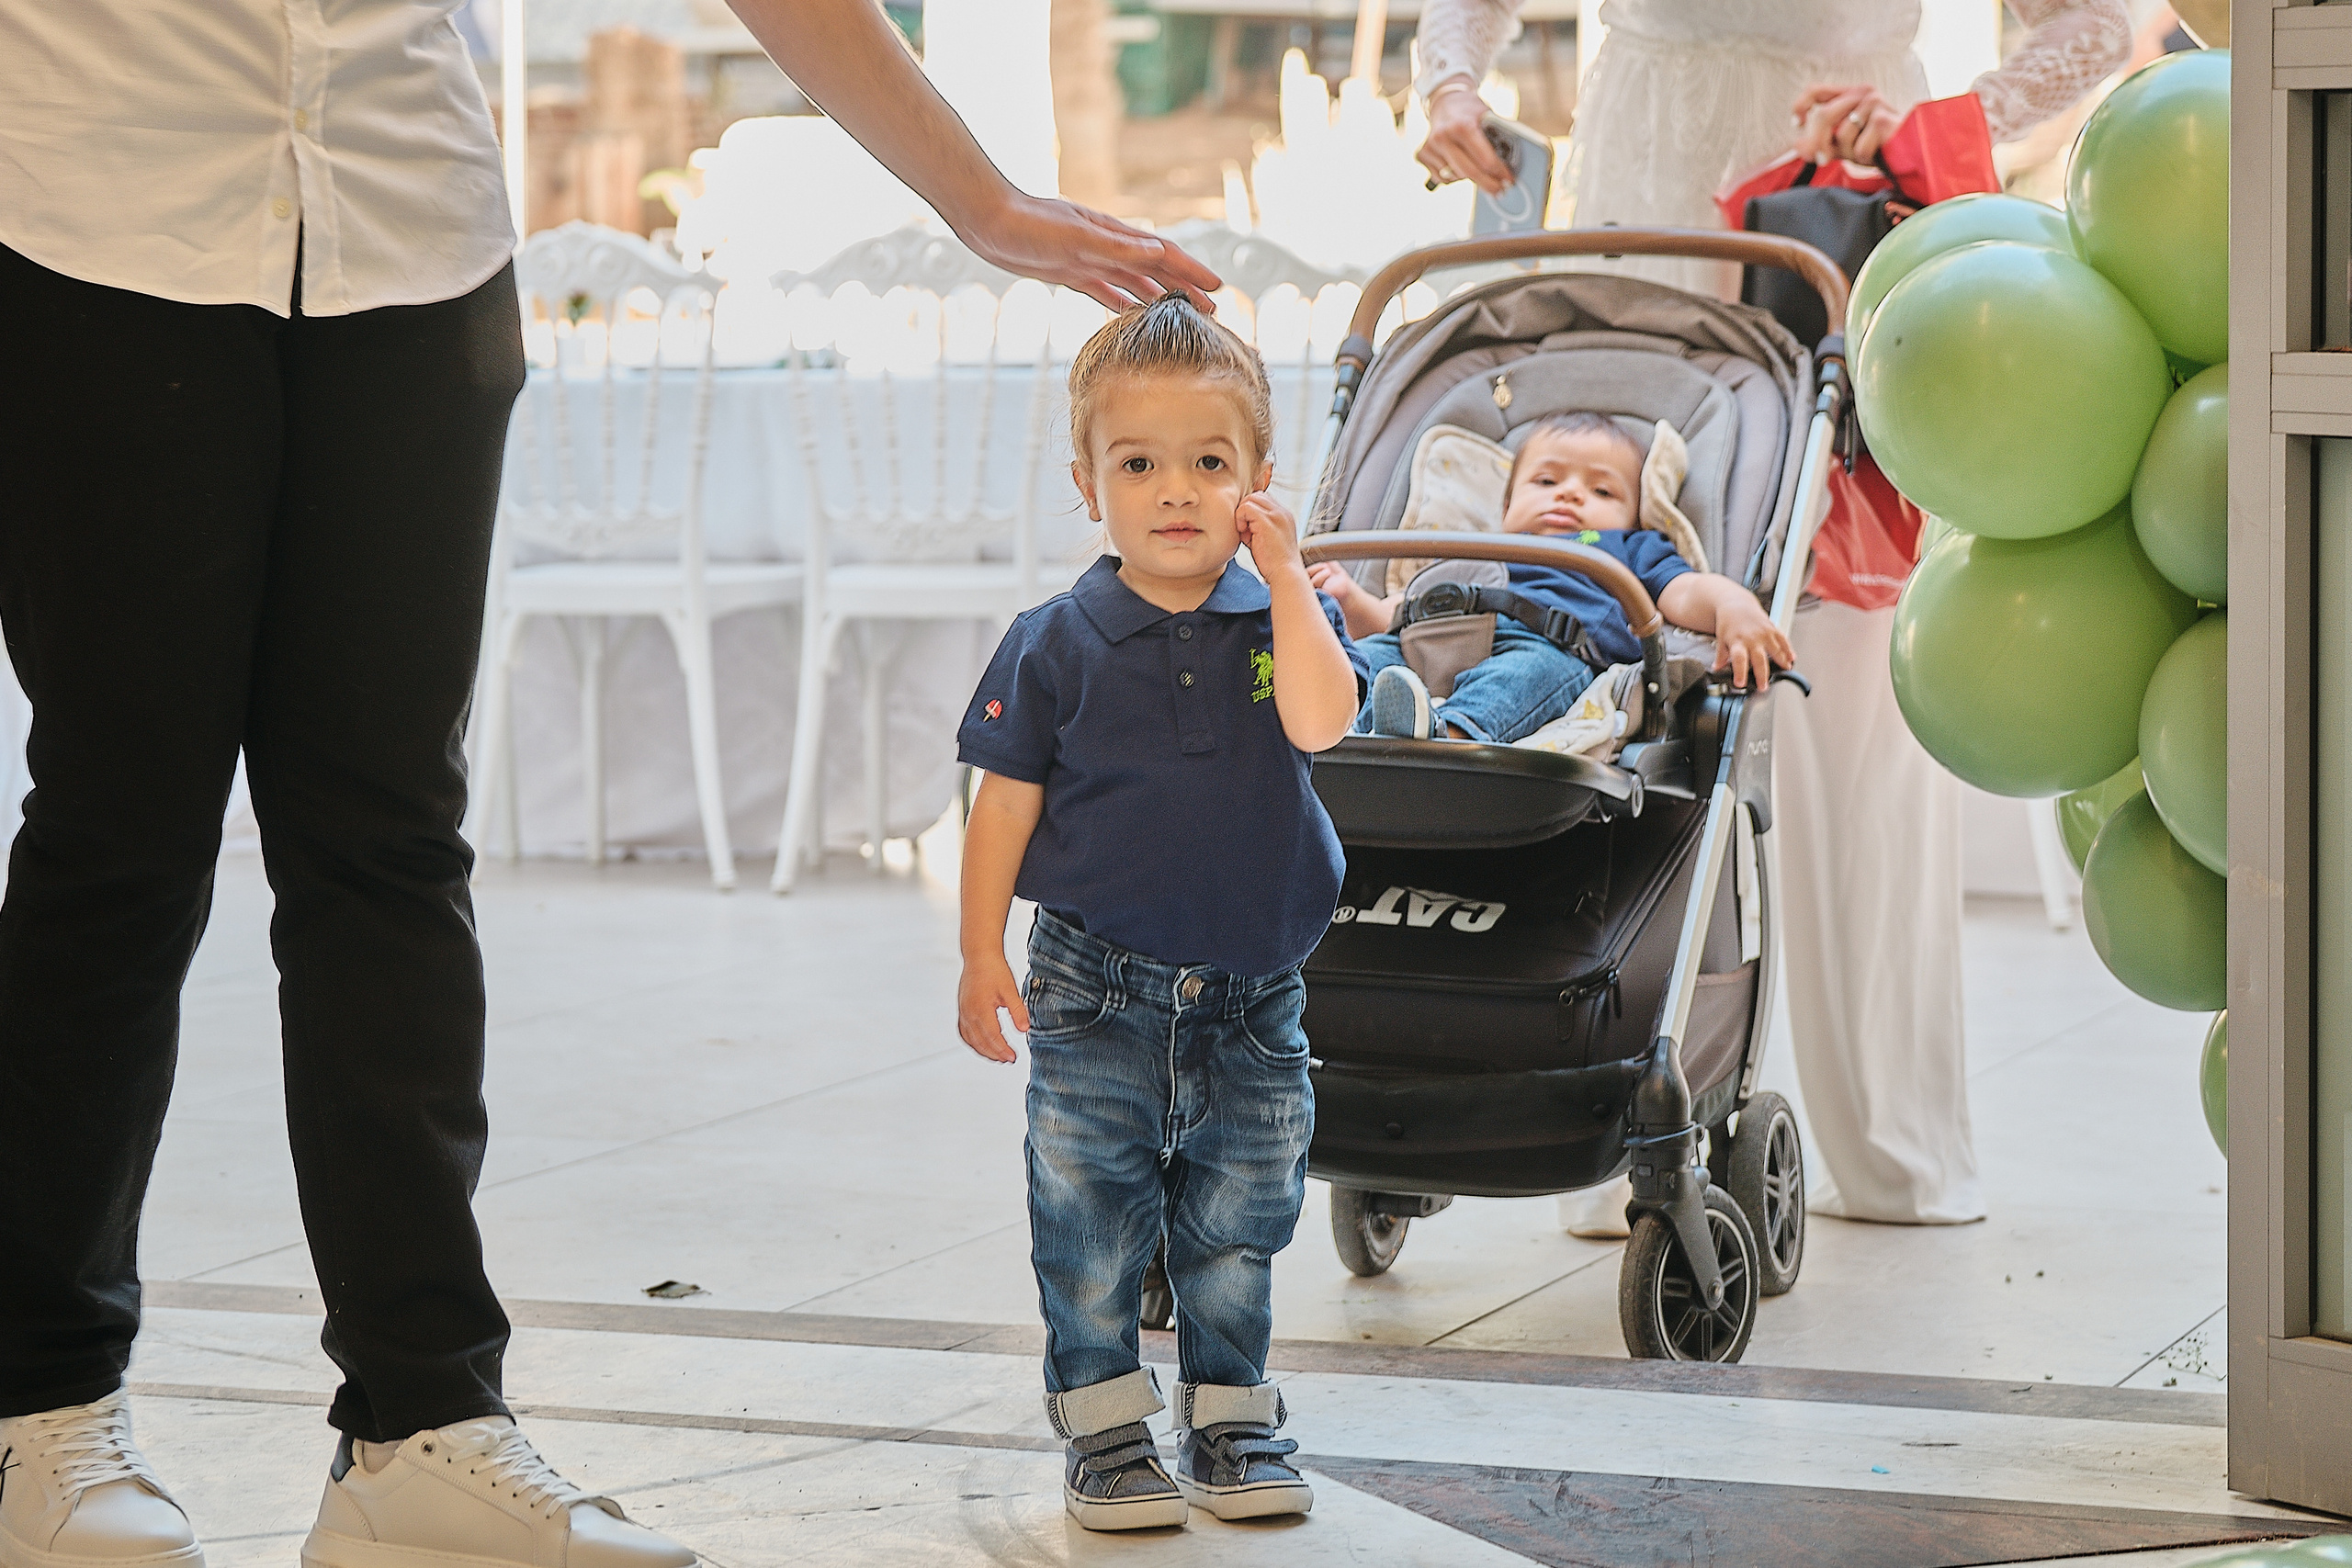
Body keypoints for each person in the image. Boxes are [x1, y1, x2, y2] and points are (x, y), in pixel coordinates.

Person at [0, 5, 1220, 1567]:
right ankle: (38, 1402)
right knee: (122, 825)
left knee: (390, 839)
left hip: (405, 225)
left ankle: (421, 1422)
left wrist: (978, 200)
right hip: (97, 214)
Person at [1408, 0, 2132, 1232]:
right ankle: (1620, 1107)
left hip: (1842, 193)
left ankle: (1890, 1133)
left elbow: (2095, 24)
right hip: (1639, 179)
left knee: (1850, 661)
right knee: (1629, 654)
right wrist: (1450, 83)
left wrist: (1936, 122)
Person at [954, 295, 1363, 1530]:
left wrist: (1286, 579)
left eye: (1208, 463)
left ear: (1256, 482)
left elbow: (1323, 721)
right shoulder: (1053, 642)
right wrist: (979, 951)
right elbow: (1002, 806)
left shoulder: (1279, 619)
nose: (1174, 490)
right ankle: (1106, 1430)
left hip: (1254, 989)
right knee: (1088, 1216)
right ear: (1088, 483)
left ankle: (1232, 1418)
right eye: (1138, 464)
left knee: (1238, 1218)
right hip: (1095, 986)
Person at [1313, 412, 1792, 742]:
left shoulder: (1623, 547)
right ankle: (1341, 728)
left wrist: (1733, 605)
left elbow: (1683, 592)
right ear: (1507, 506)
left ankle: (1447, 734)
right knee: (1371, 659)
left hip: (1547, 643)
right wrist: (1350, 599)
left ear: (1633, 515)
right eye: (1546, 482)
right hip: (1427, 634)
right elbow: (1396, 613)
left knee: (1522, 678)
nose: (1569, 494)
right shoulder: (1472, 545)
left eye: (1602, 491)